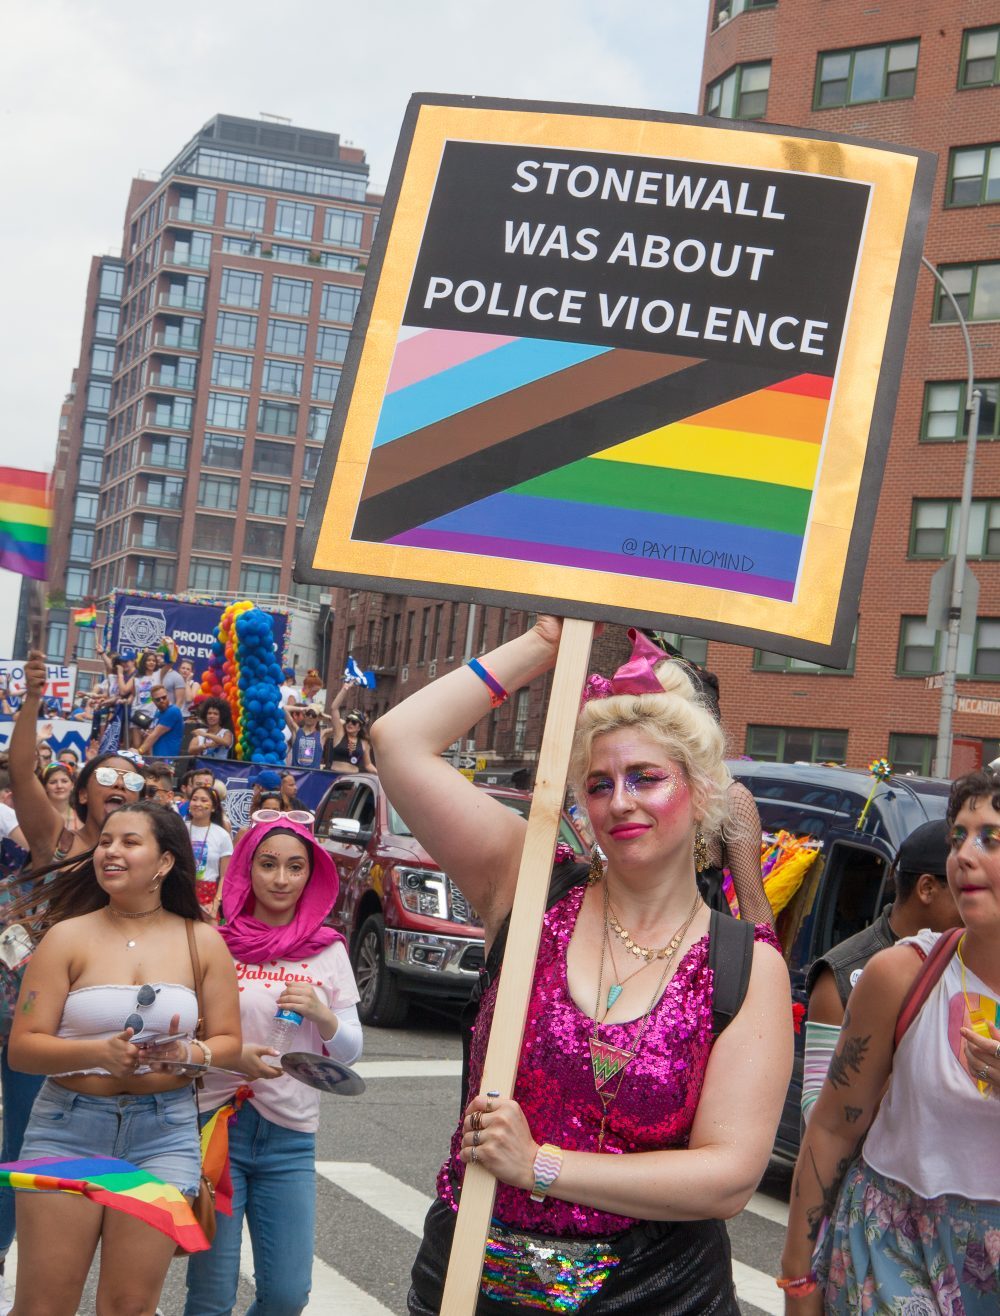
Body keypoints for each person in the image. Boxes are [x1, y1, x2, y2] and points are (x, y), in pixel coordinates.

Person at [372, 617, 792, 1315]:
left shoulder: (744, 965)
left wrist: (538, 1166)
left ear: (702, 793)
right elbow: (399, 741)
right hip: (472, 1277)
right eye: (599, 784)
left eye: (646, 778)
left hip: (656, 1295)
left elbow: (728, 1178)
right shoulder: (529, 885)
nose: (620, 801)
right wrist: (547, 640)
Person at [5, 801, 242, 1316]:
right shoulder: (67, 936)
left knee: (130, 1307)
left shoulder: (202, 940)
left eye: (129, 842)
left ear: (165, 862)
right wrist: (97, 1054)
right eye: (106, 841)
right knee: (44, 1306)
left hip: (164, 1135)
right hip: (67, 1128)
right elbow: (23, 1049)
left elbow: (228, 1041)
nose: (110, 851)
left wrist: (189, 1052)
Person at [780, 769, 1000, 1312]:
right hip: (887, 1255)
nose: (964, 856)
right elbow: (830, 1127)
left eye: (990, 838)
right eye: (958, 836)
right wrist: (797, 1281)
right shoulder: (899, 974)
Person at [183, 813, 362, 1316]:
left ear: (313, 875)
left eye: (295, 867)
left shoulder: (327, 951)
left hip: (290, 1139)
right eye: (267, 865)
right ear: (246, 869)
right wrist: (231, 1055)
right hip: (214, 1129)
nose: (281, 879)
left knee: (286, 1296)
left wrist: (323, 1014)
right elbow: (182, 1038)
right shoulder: (213, 943)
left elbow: (348, 1052)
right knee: (211, 1296)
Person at [801, 817, 961, 1122]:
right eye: (964, 889)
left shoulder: (972, 961)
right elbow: (816, 1110)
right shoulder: (843, 973)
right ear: (927, 888)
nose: (976, 902)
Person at [11, 651, 146, 866]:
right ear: (82, 794)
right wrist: (33, 698)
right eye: (107, 776)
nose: (120, 784)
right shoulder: (56, 841)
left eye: (132, 781)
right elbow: (20, 773)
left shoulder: (145, 863)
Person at [185, 786, 233, 917]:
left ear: (213, 807)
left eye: (203, 800)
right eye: (194, 799)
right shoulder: (179, 828)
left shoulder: (222, 835)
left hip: (208, 898)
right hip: (181, 891)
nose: (198, 804)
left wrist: (216, 903)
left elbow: (225, 876)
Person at [323, 686, 375, 772]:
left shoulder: (364, 742)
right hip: (335, 777)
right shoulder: (340, 734)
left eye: (354, 722)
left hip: (352, 780)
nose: (350, 723)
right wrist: (345, 688)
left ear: (359, 727)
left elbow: (368, 765)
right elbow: (334, 708)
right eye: (348, 720)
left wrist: (380, 776)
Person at [138, 684, 185, 759]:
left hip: (168, 758)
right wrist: (148, 734)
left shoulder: (173, 710)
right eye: (158, 699)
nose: (162, 700)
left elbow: (155, 735)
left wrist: (139, 752)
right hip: (158, 756)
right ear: (153, 701)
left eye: (164, 697)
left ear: (167, 696)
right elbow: (153, 734)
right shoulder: (158, 713)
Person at [39, 762, 81, 836]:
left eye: (64, 781)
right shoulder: (36, 818)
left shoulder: (82, 817)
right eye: (53, 782)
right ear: (44, 787)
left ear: (72, 785)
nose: (59, 786)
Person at [285, 704, 327, 769]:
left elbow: (342, 724)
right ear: (305, 715)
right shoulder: (296, 731)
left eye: (313, 714)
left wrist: (325, 716)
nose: (310, 716)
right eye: (308, 713)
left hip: (313, 776)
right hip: (296, 775)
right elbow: (284, 709)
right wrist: (302, 709)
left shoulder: (322, 734)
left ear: (318, 718)